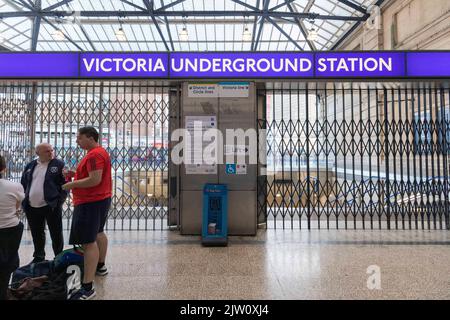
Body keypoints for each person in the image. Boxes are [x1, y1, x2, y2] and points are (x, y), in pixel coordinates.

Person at [62, 126, 112, 300]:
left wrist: (71, 184)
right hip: (101, 199)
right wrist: (75, 175)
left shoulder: (94, 155)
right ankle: (100, 266)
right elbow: (94, 175)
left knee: (88, 242)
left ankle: (87, 287)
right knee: (99, 233)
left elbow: (94, 179)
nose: (77, 140)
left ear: (90, 138)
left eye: (79, 137)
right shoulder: (99, 152)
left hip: (90, 202)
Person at [21, 143, 67, 263]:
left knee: (56, 232)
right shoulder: (30, 165)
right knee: (37, 233)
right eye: (47, 151)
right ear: (38, 153)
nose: (51, 152)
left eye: (52, 150)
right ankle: (39, 256)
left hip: (51, 205)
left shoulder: (59, 164)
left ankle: (58, 256)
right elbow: (24, 183)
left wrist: (59, 201)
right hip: (32, 206)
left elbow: (66, 184)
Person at [0, 154, 25, 300]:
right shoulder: (14, 186)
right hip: (10, 229)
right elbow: (17, 207)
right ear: (4, 168)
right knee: (7, 262)